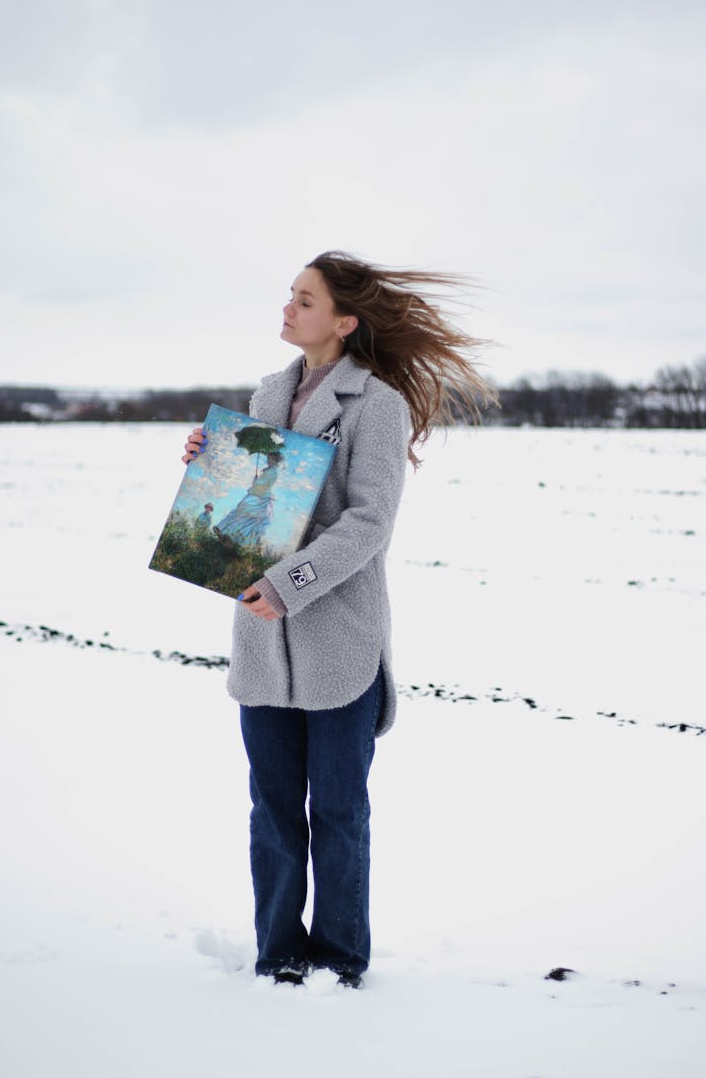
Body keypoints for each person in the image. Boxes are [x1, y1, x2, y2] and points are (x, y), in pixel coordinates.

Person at [181, 250, 494, 989]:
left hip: (338, 641)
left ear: (345, 321)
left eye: (305, 299)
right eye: (289, 295)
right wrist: (208, 467)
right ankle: (278, 954)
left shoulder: (376, 403)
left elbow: (368, 523)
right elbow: (256, 507)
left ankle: (340, 959)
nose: (287, 307)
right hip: (261, 642)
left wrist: (291, 584)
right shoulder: (266, 395)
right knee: (273, 811)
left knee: (341, 814)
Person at [213, 451, 283, 549]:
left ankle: (231, 537)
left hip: (260, 497)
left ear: (276, 460)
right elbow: (261, 484)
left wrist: (256, 481)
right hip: (257, 494)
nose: (268, 460)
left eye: (270, 459)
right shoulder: (269, 470)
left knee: (246, 517)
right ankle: (224, 531)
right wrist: (257, 481)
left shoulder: (272, 472)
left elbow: (264, 485)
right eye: (268, 458)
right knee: (241, 514)